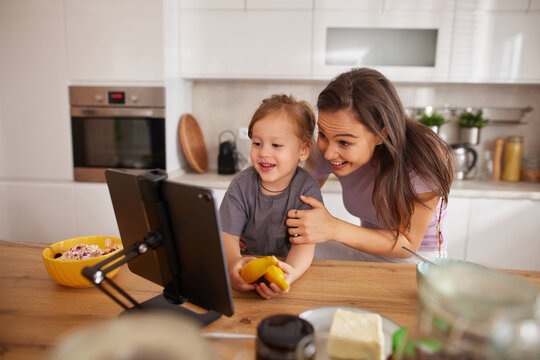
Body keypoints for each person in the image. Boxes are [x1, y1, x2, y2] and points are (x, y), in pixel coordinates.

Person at [286, 68, 454, 263]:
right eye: (322, 134)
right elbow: (291, 198)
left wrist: (332, 227)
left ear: (381, 134)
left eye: (345, 143)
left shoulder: (424, 159)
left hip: (416, 259)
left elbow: (407, 243)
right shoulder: (331, 142)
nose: (328, 152)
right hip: (363, 248)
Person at [219, 94, 323, 299]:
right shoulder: (240, 186)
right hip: (248, 267)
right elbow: (227, 236)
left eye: (276, 145)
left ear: (303, 150)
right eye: (257, 143)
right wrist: (233, 263)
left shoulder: (308, 189)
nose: (264, 153)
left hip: (287, 269)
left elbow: (304, 245)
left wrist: (288, 274)